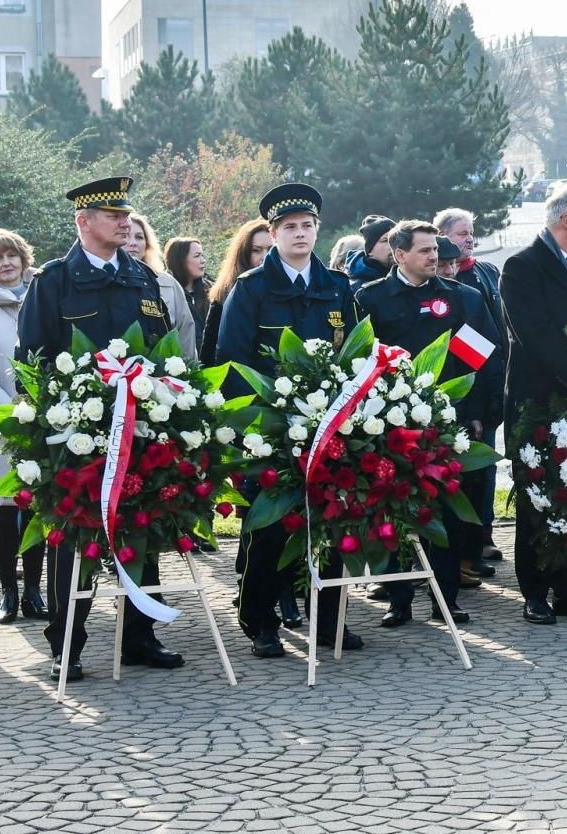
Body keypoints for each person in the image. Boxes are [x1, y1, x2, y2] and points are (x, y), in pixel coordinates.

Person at [17, 177, 180, 681]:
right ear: (83, 221)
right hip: (78, 435)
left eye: (126, 215)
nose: (124, 223)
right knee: (73, 537)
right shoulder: (54, 281)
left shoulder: (142, 278)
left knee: (142, 526)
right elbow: (33, 359)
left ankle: (140, 636)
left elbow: (163, 350)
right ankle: (66, 643)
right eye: (113, 216)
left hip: (140, 427)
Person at [219, 183, 361, 659]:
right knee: (271, 528)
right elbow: (232, 361)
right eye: (290, 227)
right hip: (273, 430)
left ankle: (329, 619)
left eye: (307, 226)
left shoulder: (337, 286)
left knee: (332, 523)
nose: (300, 234)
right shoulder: (251, 288)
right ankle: (260, 620)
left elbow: (355, 352)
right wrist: (251, 429)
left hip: (331, 427)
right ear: (274, 233)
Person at [354, 221, 504, 629]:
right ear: (399, 255)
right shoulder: (371, 299)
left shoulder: (462, 298)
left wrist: (481, 413)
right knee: (393, 511)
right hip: (390, 426)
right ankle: (398, 598)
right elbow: (359, 361)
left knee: (449, 514)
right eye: (424, 250)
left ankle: (445, 599)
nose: (434, 256)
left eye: (435, 249)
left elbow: (485, 358)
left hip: (449, 422)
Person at [501, 187, 567, 624]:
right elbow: (536, 334)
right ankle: (534, 592)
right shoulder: (522, 267)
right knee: (536, 498)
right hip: (538, 401)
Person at [435, 207, 505, 562]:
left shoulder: (484, 274)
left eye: (471, 232)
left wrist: (491, 393)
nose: (470, 239)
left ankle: (481, 537)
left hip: (481, 390)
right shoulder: (440, 291)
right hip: (447, 398)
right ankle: (455, 553)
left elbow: (487, 346)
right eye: (462, 233)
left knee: (483, 470)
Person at [0, 228, 45, 625]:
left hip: (45, 417)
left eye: (11, 255)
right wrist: (7, 407)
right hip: (2, 420)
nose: (6, 263)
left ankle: (34, 591)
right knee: (8, 506)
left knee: (39, 504)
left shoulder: (42, 294)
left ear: (23, 258)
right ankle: (9, 591)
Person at [125, 212, 198, 363]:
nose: (133, 243)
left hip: (165, 372)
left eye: (139, 237)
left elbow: (185, 332)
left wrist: (187, 371)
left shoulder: (168, 283)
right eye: (126, 236)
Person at [201, 219, 271, 366]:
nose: (265, 257)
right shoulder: (226, 292)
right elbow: (209, 349)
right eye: (256, 250)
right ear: (244, 253)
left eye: (271, 249)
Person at [164, 236, 212, 353]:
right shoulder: (167, 292)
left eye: (202, 255)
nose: (202, 260)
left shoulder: (212, 291)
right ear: (180, 260)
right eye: (197, 256)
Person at [347, 215, 395, 290]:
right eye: (385, 240)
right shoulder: (355, 289)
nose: (394, 245)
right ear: (369, 250)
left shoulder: (409, 278)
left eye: (396, 239)